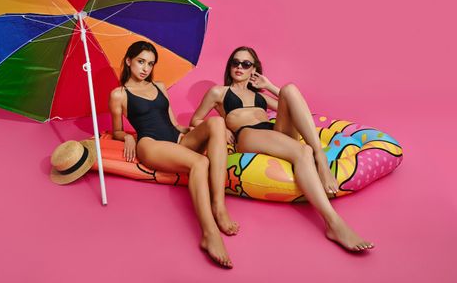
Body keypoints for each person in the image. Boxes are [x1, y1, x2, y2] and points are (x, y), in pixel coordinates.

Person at [190, 46, 374, 252]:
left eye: (246, 64)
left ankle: (319, 156)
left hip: (274, 132)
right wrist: (222, 128)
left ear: (254, 69)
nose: (239, 67)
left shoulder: (259, 96)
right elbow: (196, 119)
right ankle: (334, 223)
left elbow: (297, 107)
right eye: (235, 62)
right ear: (230, 66)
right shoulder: (219, 92)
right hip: (248, 135)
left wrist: (269, 85)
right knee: (303, 152)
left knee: (290, 89)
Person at [109, 41, 238, 268]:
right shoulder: (119, 94)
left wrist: (189, 131)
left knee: (216, 122)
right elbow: (117, 129)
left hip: (176, 139)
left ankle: (219, 204)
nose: (145, 68)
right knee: (200, 162)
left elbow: (173, 123)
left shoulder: (159, 86)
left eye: (150, 64)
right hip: (151, 144)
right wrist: (128, 137)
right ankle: (209, 234)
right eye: (140, 61)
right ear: (128, 61)